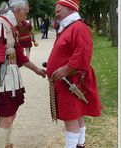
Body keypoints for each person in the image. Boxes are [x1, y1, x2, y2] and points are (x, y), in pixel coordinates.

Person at [0, 0, 46, 148]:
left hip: (11, 77)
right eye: (25, 13)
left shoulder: (11, 26)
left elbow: (19, 54)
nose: (25, 17)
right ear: (17, 10)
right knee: (5, 116)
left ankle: (7, 144)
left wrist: (36, 70)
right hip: (1, 78)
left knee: (11, 113)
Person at [46, 0, 101, 148]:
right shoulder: (69, 27)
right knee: (77, 116)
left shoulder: (78, 27)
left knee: (71, 118)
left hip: (72, 81)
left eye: (59, 10)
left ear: (70, 9)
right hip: (67, 81)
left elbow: (83, 52)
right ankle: (80, 145)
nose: (56, 13)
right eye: (56, 11)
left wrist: (65, 69)